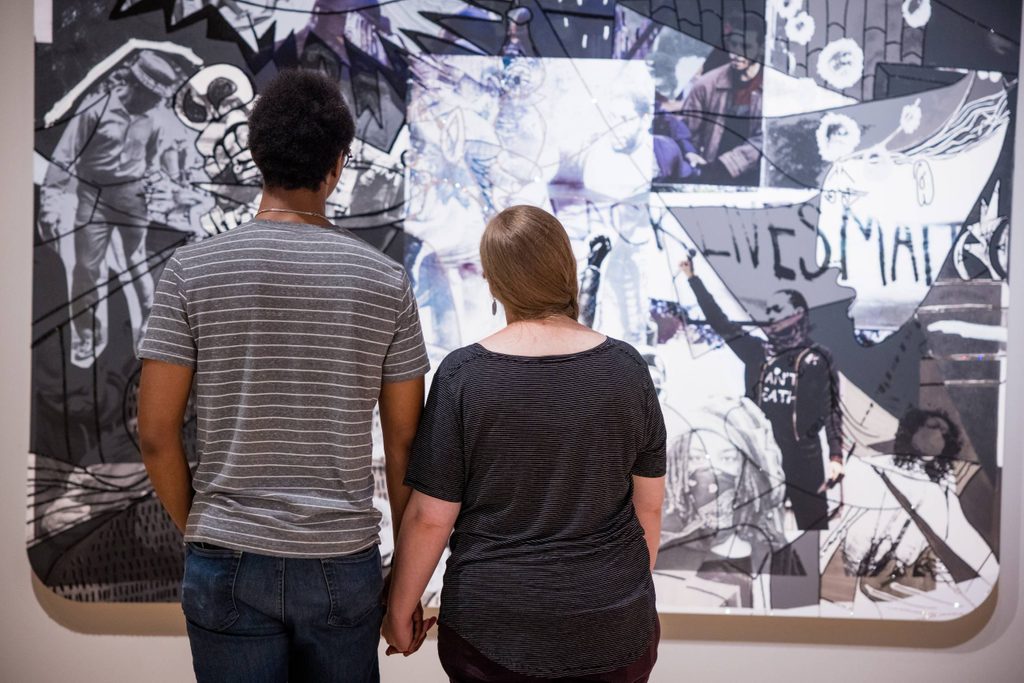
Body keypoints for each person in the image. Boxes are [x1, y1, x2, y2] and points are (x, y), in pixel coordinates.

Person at [137, 69, 432, 682]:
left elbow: (156, 432)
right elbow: (406, 444)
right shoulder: (384, 282)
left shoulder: (192, 271)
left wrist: (205, 528)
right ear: (339, 166)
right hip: (340, 559)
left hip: (226, 555)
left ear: (256, 155)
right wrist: (404, 588)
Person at [384, 205, 667, 681]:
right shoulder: (628, 369)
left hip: (491, 628)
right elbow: (650, 509)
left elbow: (431, 516)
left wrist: (399, 611)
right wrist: (619, 589)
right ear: (566, 271)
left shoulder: (462, 376)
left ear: (494, 284)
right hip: (614, 625)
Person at [39, 50, 183, 364]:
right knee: (87, 266)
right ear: (136, 86)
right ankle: (87, 334)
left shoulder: (155, 118)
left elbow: (162, 159)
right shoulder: (97, 108)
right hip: (94, 196)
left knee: (136, 261)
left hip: (132, 196)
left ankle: (150, 325)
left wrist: (169, 188)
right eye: (152, 96)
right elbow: (65, 157)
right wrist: (49, 204)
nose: (156, 102)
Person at [680, 256, 843, 532]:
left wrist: (836, 457)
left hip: (805, 460)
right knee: (761, 532)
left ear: (798, 314)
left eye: (778, 310)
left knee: (811, 535)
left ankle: (806, 575)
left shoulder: (818, 358)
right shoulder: (755, 351)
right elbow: (720, 322)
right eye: (768, 311)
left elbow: (831, 410)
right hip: (761, 461)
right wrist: (692, 278)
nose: (770, 317)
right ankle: (768, 576)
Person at [668, 26, 764, 186]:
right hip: (710, 175)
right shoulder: (706, 84)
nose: (736, 54)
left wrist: (726, 165)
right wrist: (691, 153)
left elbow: (766, 140)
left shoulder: (774, 90)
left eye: (746, 47)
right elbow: (685, 128)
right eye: (733, 45)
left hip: (755, 179)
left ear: (761, 49)